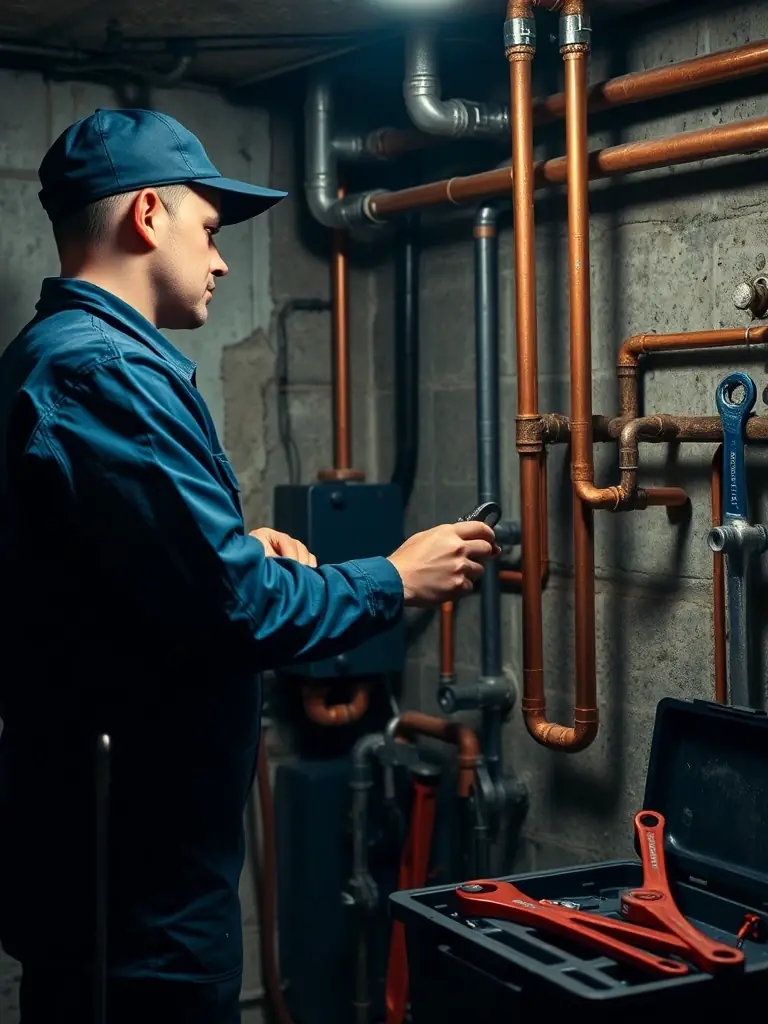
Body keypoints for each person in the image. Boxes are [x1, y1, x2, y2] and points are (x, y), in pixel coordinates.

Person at [0, 108, 498, 1023]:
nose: (222, 261)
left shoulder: (67, 363)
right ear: (148, 215)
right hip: (135, 891)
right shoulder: (99, 374)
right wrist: (397, 577)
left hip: (125, 868)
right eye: (211, 231)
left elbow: (117, 581)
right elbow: (239, 611)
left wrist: (229, 543)